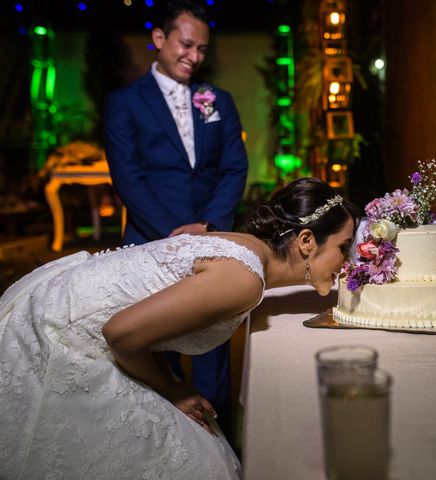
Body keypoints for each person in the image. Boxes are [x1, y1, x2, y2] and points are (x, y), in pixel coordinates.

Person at [0, 178, 357, 479]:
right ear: (307, 241)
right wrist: (174, 390)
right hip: (67, 336)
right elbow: (120, 334)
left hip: (78, 307)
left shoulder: (248, 249)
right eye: (344, 247)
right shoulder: (244, 280)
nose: (348, 261)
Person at [103, 0, 248, 428]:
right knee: (156, 349)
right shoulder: (124, 102)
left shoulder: (214, 99)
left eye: (202, 48)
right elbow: (128, 177)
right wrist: (173, 231)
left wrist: (206, 227)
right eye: (186, 45)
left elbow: (234, 166)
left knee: (213, 345)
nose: (195, 56)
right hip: (150, 241)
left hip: (211, 239)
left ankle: (219, 438)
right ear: (159, 39)